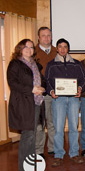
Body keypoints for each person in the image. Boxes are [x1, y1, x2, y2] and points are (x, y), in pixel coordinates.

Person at [45, 38, 85, 167]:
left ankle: (74, 153)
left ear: (68, 49)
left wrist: (80, 89)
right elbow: (47, 81)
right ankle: (58, 155)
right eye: (60, 47)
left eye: (65, 47)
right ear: (56, 48)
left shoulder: (76, 64)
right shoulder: (51, 64)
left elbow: (83, 79)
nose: (62, 49)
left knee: (74, 127)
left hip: (74, 99)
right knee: (58, 128)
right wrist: (51, 91)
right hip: (58, 100)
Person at [7, 39, 45, 171]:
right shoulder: (15, 64)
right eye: (26, 47)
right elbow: (13, 83)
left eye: (31, 47)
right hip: (23, 104)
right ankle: (23, 167)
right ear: (20, 49)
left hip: (36, 102)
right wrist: (32, 89)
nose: (29, 49)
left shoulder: (35, 64)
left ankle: (29, 163)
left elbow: (42, 80)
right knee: (28, 135)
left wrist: (43, 88)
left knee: (32, 135)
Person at [35, 27, 57, 157]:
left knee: (52, 122)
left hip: (54, 93)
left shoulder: (57, 52)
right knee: (40, 124)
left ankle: (52, 148)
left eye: (48, 35)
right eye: (43, 36)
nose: (46, 38)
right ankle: (38, 150)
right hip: (39, 94)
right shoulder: (33, 52)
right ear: (38, 37)